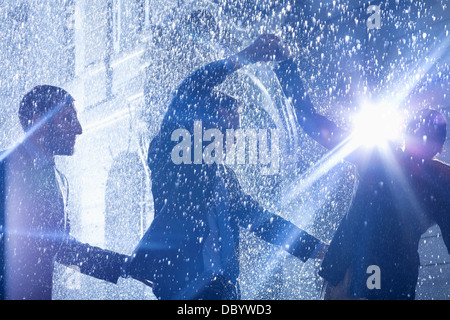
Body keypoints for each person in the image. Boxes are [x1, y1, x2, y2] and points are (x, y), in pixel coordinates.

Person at [127, 34, 327, 300]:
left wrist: (316, 248)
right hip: (182, 291)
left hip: (226, 292)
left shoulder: (225, 178)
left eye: (235, 131)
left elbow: (262, 222)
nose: (231, 138)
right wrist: (246, 56)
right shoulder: (172, 158)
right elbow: (190, 88)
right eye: (224, 128)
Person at [274, 58, 450, 300]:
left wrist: (284, 66)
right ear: (439, 148)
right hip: (373, 277)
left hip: (359, 274)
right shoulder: (436, 179)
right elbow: (313, 124)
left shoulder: (382, 156)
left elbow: (312, 123)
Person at [0, 85, 130, 300]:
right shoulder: (5, 169)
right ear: (39, 122)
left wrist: (125, 266)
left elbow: (60, 247)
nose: (79, 129)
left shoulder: (59, 179)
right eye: (68, 118)